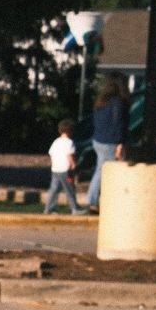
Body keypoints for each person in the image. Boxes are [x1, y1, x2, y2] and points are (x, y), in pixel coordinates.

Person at [88, 75, 128, 209]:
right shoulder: (118, 102)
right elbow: (119, 123)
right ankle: (93, 201)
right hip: (110, 141)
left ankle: (96, 200)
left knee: (101, 170)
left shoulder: (102, 101)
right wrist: (120, 143)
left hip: (98, 139)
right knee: (104, 172)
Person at [43, 119, 83, 215]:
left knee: (54, 189)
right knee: (70, 189)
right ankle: (74, 208)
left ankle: (49, 208)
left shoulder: (56, 141)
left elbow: (51, 153)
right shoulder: (69, 142)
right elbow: (70, 155)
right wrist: (73, 164)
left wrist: (54, 164)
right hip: (65, 170)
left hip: (55, 169)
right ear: (71, 131)